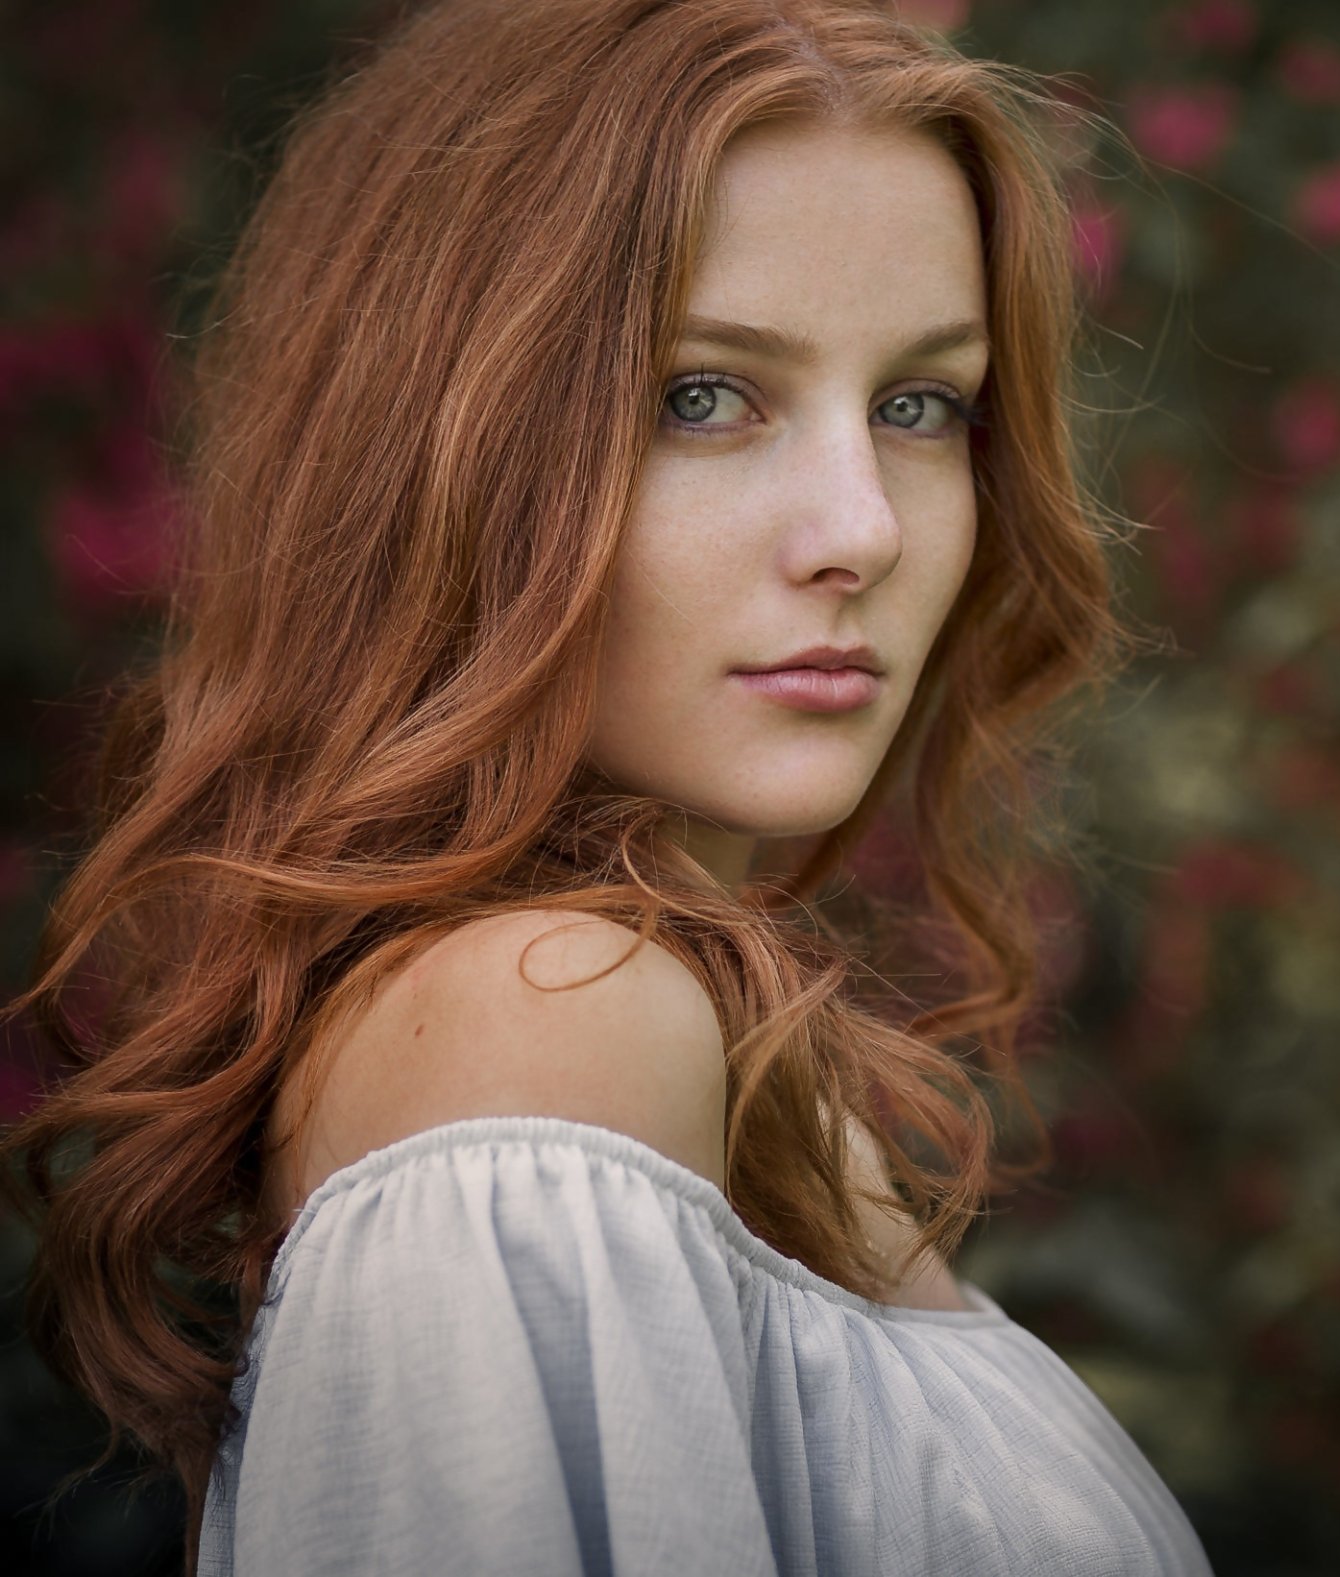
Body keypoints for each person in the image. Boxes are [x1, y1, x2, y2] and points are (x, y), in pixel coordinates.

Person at [0, 0, 1213, 1572]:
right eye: (705, 394)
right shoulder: (545, 1018)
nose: (864, 528)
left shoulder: (662, 1034)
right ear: (446, 441)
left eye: (920, 404)